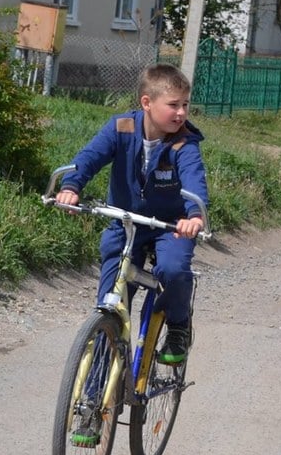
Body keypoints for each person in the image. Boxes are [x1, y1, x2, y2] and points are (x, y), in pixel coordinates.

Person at [55, 64, 206, 376]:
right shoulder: (120, 127)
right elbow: (89, 158)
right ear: (146, 102)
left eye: (185, 104)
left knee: (172, 269)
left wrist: (194, 215)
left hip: (171, 227)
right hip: (126, 223)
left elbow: (194, 180)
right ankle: (93, 397)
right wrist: (71, 187)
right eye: (173, 105)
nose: (181, 113)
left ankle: (178, 325)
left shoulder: (185, 142)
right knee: (110, 303)